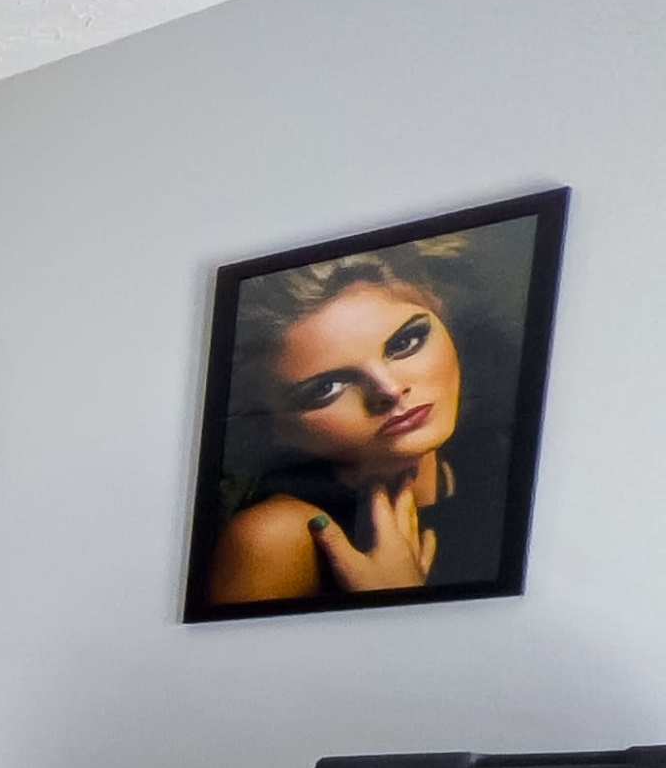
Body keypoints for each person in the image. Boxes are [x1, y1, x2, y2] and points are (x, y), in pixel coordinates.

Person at [202, 252, 479, 605]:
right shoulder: (277, 537)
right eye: (327, 388)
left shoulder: (495, 467)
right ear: (275, 426)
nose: (389, 391)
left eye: (405, 343)